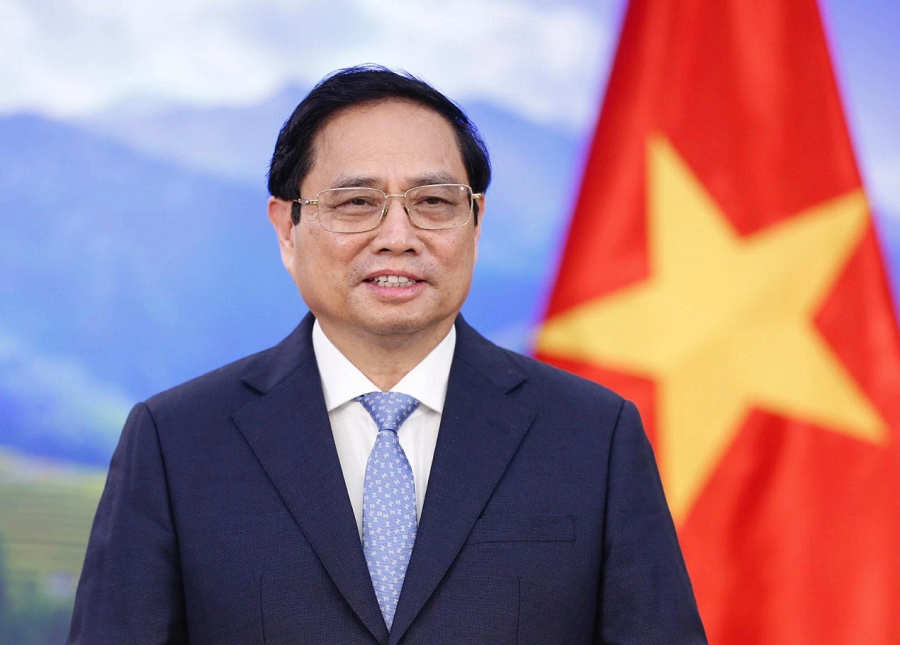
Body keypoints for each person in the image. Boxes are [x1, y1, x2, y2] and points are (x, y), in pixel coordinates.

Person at [68, 65, 707, 645]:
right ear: (287, 228)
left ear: (476, 222)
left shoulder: (593, 436)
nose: (398, 237)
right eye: (356, 203)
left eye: (433, 202)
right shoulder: (176, 443)